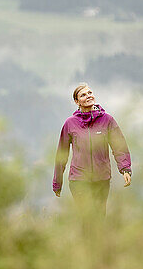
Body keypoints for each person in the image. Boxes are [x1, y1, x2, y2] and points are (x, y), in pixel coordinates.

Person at [52, 83, 131, 227]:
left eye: (89, 93)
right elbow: (62, 154)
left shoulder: (107, 120)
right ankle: (86, 248)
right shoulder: (70, 123)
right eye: (83, 95)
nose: (88, 96)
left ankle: (97, 249)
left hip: (102, 179)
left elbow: (119, 146)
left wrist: (125, 168)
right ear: (77, 101)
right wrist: (57, 183)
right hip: (79, 180)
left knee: (99, 218)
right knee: (87, 218)